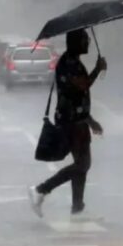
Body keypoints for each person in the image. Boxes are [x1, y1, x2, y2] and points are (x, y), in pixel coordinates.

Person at [28, 29, 107, 217]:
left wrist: (91, 121)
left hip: (78, 120)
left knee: (82, 164)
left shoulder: (73, 61)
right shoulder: (68, 63)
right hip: (71, 122)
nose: (87, 42)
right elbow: (82, 85)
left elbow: (78, 96)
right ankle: (41, 190)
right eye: (84, 39)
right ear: (75, 43)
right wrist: (98, 69)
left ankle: (77, 207)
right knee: (82, 165)